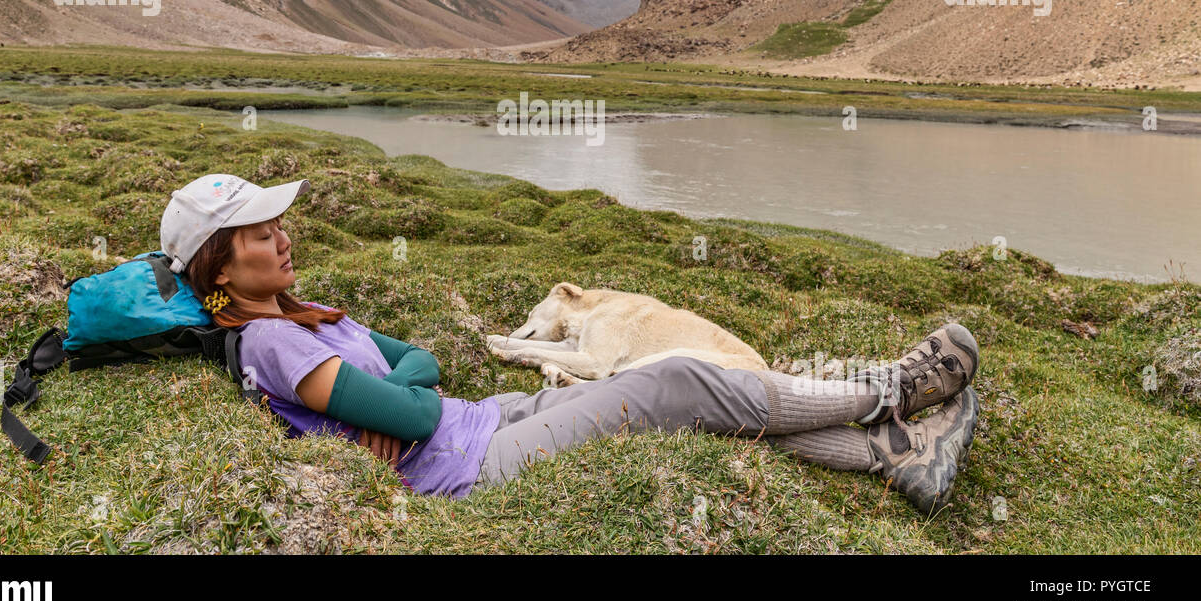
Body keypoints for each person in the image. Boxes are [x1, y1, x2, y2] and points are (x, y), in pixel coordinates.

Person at [160, 173, 981, 514]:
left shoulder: (311, 319)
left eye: (276, 223)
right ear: (218, 269)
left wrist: (406, 388)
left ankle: (896, 460)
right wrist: (408, 398)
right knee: (677, 385)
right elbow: (410, 418)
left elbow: (421, 366)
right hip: (470, 466)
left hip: (482, 417)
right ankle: (892, 394)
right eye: (257, 233)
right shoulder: (270, 345)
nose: (281, 237)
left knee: (685, 410)